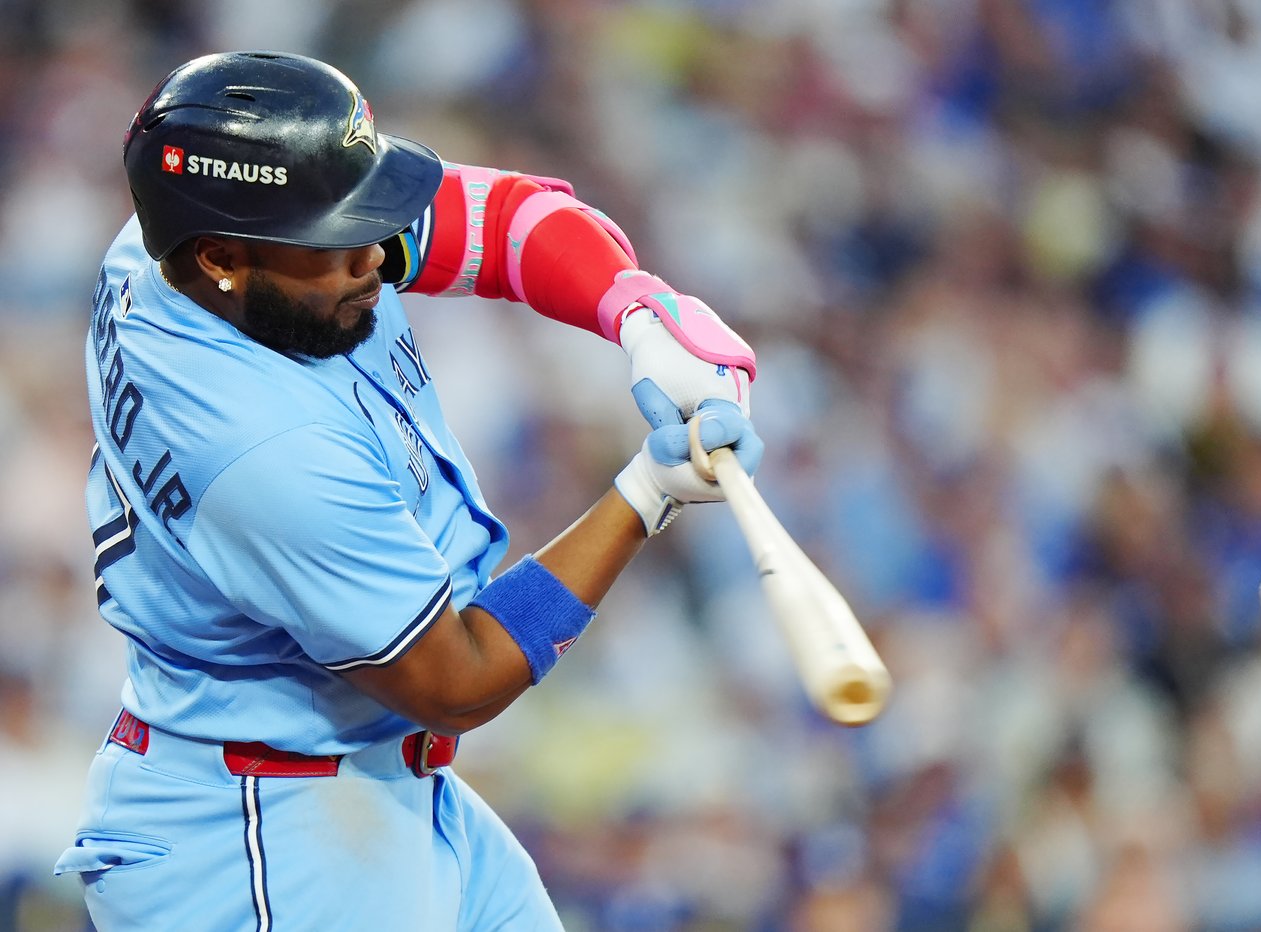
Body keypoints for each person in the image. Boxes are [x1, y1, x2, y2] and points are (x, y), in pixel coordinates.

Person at [53, 51, 763, 931]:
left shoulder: (182, 253)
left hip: (344, 776)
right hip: (261, 837)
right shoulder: (259, 449)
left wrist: (637, 312)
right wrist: (649, 492)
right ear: (223, 257)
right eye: (334, 237)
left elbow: (506, 218)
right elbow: (457, 680)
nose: (373, 255)